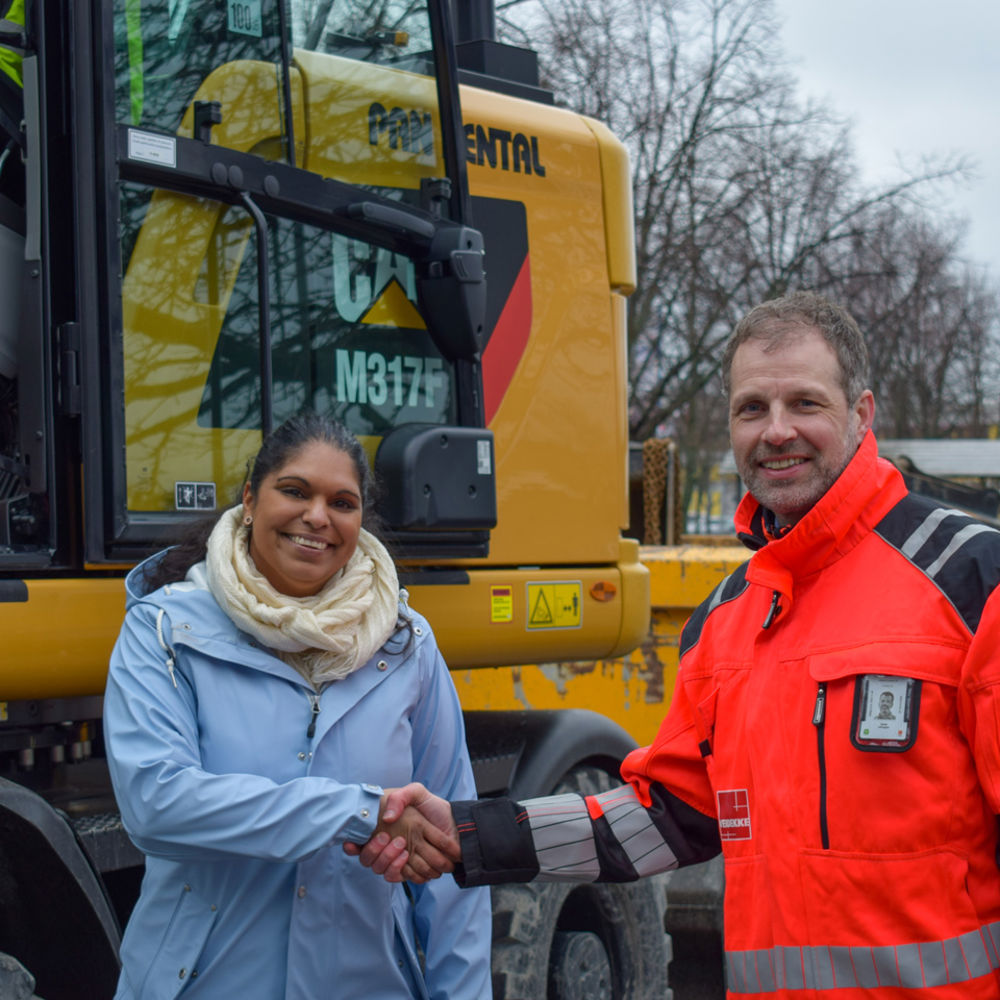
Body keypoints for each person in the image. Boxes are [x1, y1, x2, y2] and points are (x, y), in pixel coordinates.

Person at [353, 291, 1000, 998]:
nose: (776, 431)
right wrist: (468, 833)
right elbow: (667, 818)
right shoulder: (724, 619)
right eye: (752, 409)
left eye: (806, 404)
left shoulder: (968, 578)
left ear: (862, 414)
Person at [104, 412, 491, 999]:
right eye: (294, 491)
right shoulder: (163, 630)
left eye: (343, 502)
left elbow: (451, 853)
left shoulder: (406, 644)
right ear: (250, 500)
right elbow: (156, 804)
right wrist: (357, 811)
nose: (317, 517)